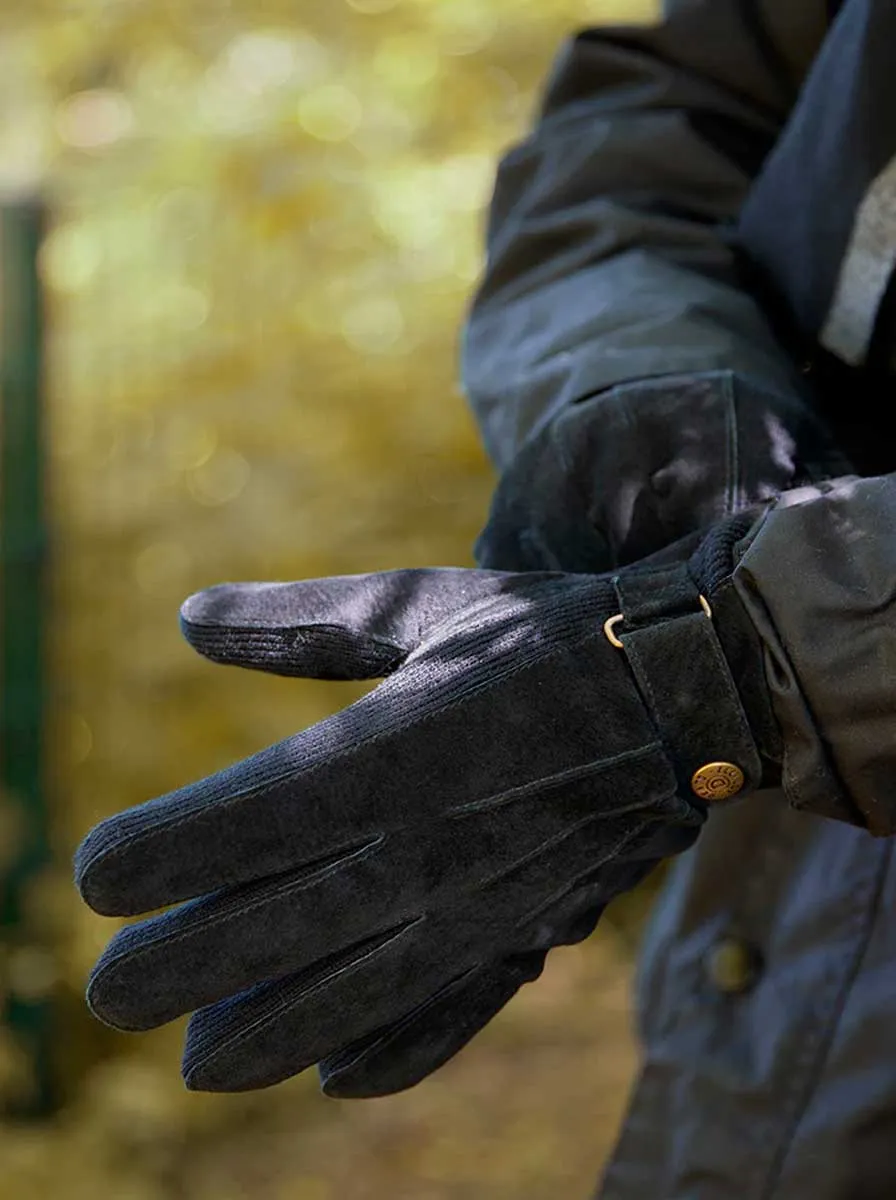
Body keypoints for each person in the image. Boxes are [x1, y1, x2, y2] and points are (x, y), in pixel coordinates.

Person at [76, 1, 896, 1197]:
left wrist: (759, 662)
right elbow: (668, 106)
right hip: (787, 922)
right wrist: (639, 387)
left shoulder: (746, 670)